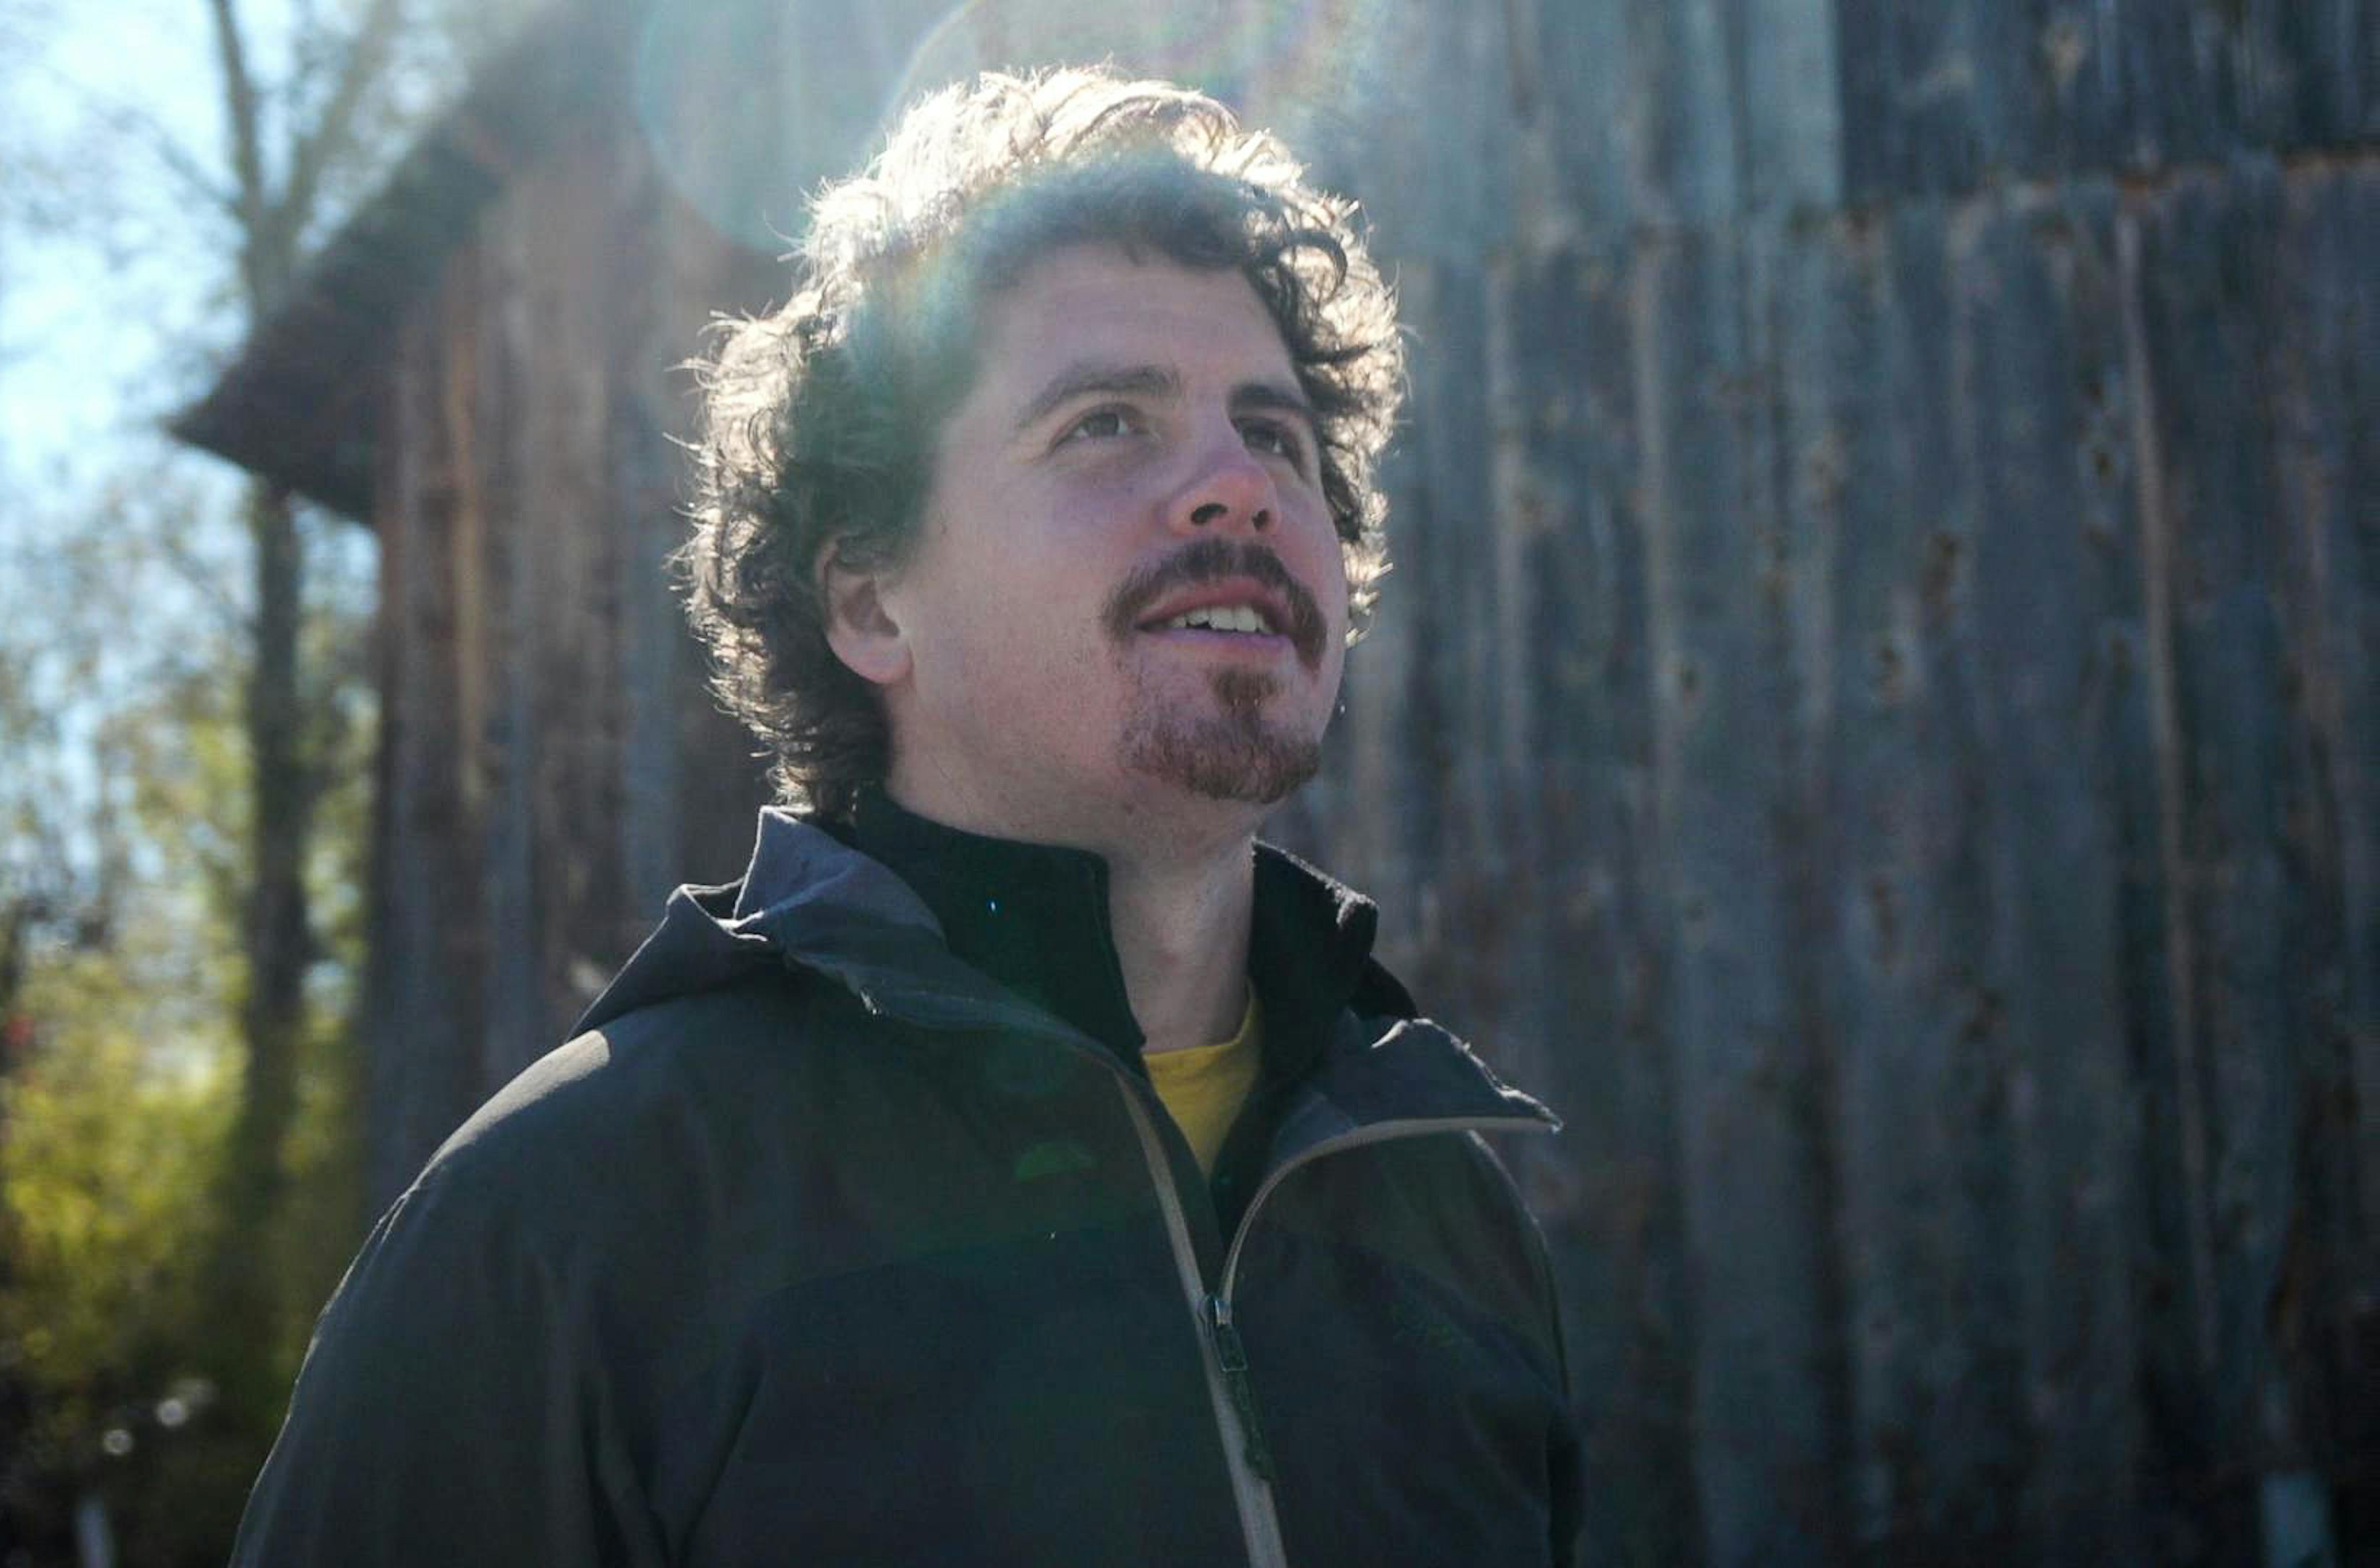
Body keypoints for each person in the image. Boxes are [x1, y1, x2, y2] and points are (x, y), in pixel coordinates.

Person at [232, 65, 1578, 1567]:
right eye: (1107, 425)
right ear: (872, 597)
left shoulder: (1445, 1210)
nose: (1237, 490)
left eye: (1277, 438)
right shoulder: (578, 1218)